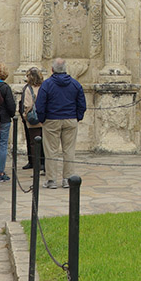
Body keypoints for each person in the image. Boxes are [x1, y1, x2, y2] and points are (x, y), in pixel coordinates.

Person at [36, 57, 87, 189]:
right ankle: (67, 178)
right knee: (69, 150)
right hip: (70, 119)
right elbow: (82, 104)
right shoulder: (75, 84)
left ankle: (51, 180)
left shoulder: (47, 85)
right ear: (66, 69)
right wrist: (77, 117)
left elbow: (40, 105)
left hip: (52, 119)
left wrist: (42, 119)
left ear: (52, 69)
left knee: (51, 151)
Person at [0, 64, 16, 181]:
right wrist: (11, 114)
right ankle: (0, 171)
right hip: (4, 119)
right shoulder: (5, 88)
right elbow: (11, 105)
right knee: (2, 145)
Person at [19, 68, 44, 170]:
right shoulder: (44, 87)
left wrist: (25, 115)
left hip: (32, 119)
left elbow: (27, 104)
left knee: (33, 142)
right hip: (43, 118)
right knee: (42, 142)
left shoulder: (28, 88)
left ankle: (35, 164)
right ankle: (42, 162)